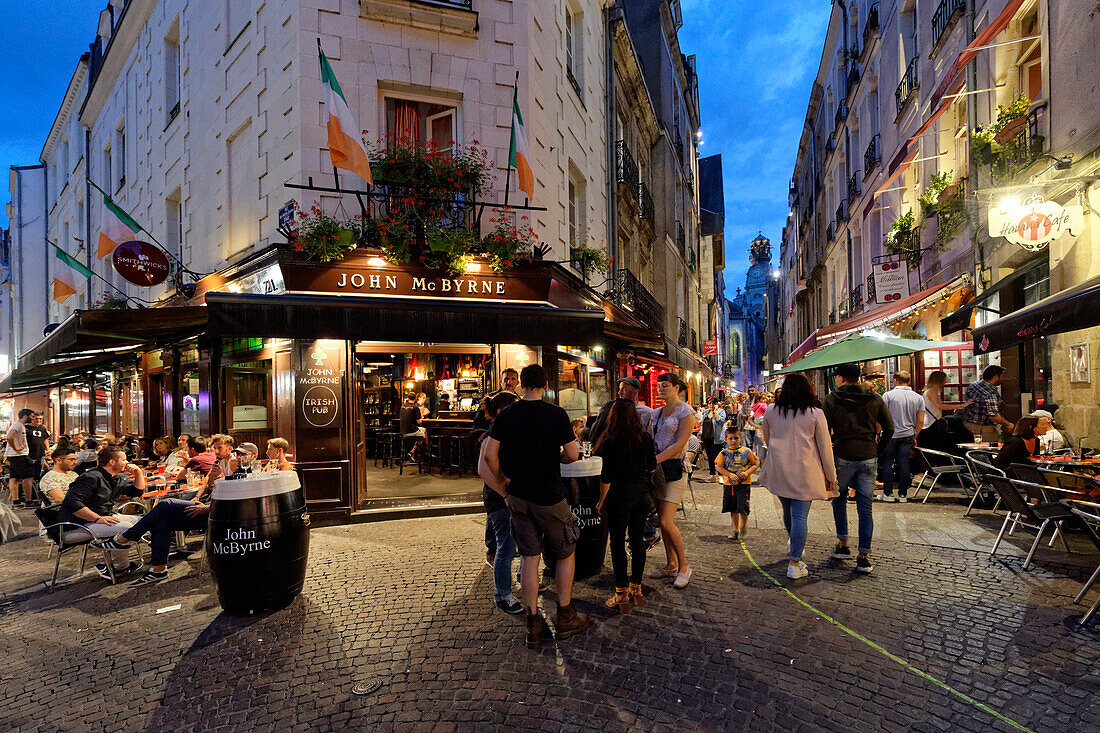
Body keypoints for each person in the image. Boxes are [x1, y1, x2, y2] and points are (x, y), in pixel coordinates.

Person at [479, 363, 590, 648]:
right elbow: (573, 454)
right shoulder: (556, 414)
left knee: (529, 556)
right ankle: (564, 616)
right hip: (549, 495)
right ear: (544, 384)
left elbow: (490, 455)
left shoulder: (508, 415)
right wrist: (561, 459)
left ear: (522, 384)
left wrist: (504, 482)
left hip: (518, 495)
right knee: (566, 551)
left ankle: (532, 623)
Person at [758, 373, 839, 579]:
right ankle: (795, 562)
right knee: (799, 515)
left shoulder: (771, 411)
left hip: (780, 468)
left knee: (787, 510)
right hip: (805, 470)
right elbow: (825, 448)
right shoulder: (815, 413)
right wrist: (831, 476)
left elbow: (767, 438)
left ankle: (794, 547)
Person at [823, 362, 894, 573]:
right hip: (868, 454)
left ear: (840, 378)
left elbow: (824, 430)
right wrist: (877, 449)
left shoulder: (831, 399)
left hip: (843, 454)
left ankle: (844, 544)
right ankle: (863, 557)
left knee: (839, 499)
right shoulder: (874, 398)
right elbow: (889, 428)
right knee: (865, 507)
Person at [594, 398, 656, 613]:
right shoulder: (645, 438)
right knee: (638, 540)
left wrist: (602, 499)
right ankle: (636, 588)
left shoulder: (610, 442)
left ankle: (620, 593)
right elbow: (651, 466)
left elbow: (606, 475)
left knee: (618, 542)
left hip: (619, 495)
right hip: (640, 495)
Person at [58, 446, 147, 579]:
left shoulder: (115, 478)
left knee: (146, 522)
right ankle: (118, 567)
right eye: (124, 460)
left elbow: (136, 492)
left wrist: (138, 472)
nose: (127, 463)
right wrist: (97, 518)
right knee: (126, 529)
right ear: (112, 462)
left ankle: (111, 555)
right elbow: (72, 503)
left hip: (102, 518)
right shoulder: (91, 477)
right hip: (75, 526)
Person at [647, 372, 695, 589]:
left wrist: (654, 460)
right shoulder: (656, 413)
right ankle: (670, 564)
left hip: (675, 469)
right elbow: (649, 439)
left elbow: (680, 443)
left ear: (677, 387)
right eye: (659, 386)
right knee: (662, 521)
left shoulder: (686, 411)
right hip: (656, 471)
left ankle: (684, 566)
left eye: (665, 385)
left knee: (667, 521)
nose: (661, 389)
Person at [477, 390, 523, 615]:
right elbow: (483, 470)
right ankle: (502, 594)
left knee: (518, 541)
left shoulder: (505, 432)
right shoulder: (492, 435)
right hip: (499, 499)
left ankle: (522, 578)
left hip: (508, 496)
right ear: (503, 411)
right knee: (506, 545)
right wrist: (504, 491)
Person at [878, 371, 925, 503]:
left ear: (895, 380)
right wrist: (915, 434)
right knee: (903, 462)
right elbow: (920, 420)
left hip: (890, 434)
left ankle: (888, 493)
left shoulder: (888, 396)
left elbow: (881, 417)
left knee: (887, 462)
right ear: (908, 381)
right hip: (908, 434)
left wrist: (878, 433)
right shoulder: (918, 397)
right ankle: (903, 494)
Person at [715, 427, 758, 541]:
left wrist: (747, 472)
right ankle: (735, 529)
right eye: (731, 439)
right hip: (729, 485)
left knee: (743, 506)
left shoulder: (747, 451)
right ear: (726, 439)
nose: (733, 441)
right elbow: (719, 467)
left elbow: (754, 464)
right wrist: (729, 474)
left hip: (744, 484)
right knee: (733, 508)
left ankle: (743, 527)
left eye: (736, 438)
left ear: (741, 438)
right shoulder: (723, 453)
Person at [589, 376, 652, 445]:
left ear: (635, 392)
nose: (619, 392)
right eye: (619, 389)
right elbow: (601, 430)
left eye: (624, 389)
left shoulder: (648, 412)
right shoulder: (612, 408)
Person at [961, 365, 1014, 443]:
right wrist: (1008, 424)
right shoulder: (989, 393)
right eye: (1002, 376)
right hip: (982, 428)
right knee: (992, 449)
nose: (1003, 379)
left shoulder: (974, 384)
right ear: (995, 377)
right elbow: (993, 416)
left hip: (967, 424)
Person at [919, 371, 970, 451]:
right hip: (931, 424)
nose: (945, 382)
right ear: (939, 380)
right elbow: (939, 406)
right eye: (944, 380)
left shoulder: (928, 390)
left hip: (929, 424)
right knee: (935, 448)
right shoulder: (932, 391)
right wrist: (961, 405)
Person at [5, 409, 35, 507]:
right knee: (28, 477)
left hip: (14, 455)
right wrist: (16, 447)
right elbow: (9, 437)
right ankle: (28, 501)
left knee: (14, 478)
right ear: (26, 416)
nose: (33, 418)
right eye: (32, 416)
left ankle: (16, 501)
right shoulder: (18, 425)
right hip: (19, 455)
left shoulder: (18, 425)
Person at [701, 397, 727, 482]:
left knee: (718, 457)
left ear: (717, 404)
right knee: (710, 457)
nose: (711, 405)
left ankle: (720, 475)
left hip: (717, 438)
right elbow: (703, 423)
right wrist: (701, 433)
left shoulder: (721, 411)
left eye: (713, 403)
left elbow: (721, 421)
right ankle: (712, 475)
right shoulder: (706, 412)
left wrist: (715, 411)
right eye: (709, 404)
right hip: (707, 437)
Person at [400, 393, 427, 461]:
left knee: (422, 431)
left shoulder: (402, 407)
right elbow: (419, 422)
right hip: (411, 431)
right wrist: (421, 415)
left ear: (408, 398)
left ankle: (411, 452)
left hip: (402, 431)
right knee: (423, 432)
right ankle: (421, 451)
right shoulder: (415, 408)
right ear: (415, 399)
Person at [27, 412, 52, 483]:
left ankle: (37, 488)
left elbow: (45, 439)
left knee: (38, 474)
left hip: (40, 454)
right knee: (29, 475)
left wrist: (48, 449)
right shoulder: (26, 429)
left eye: (40, 419)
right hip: (29, 455)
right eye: (36, 419)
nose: (38, 420)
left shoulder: (42, 428)